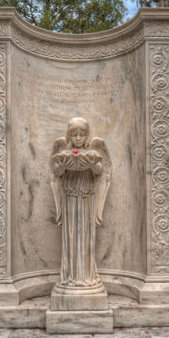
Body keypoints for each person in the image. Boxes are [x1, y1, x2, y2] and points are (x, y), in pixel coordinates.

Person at [50, 117, 111, 287]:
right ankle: (70, 275)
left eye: (82, 135)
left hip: (87, 200)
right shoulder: (62, 154)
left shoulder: (93, 153)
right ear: (68, 136)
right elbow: (57, 173)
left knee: (86, 237)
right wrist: (65, 165)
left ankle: (87, 276)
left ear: (87, 136)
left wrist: (91, 165)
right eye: (74, 135)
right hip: (69, 200)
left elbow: (100, 171)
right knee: (70, 236)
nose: (78, 138)